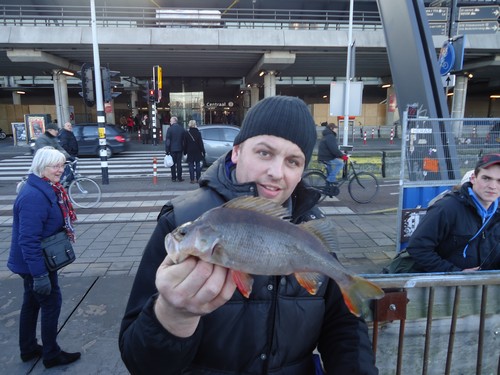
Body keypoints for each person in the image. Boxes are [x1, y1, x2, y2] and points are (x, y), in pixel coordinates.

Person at [119, 96, 378, 374]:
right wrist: (173, 315)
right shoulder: (180, 219)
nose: (276, 172)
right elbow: (140, 364)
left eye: (293, 161)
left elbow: (345, 331)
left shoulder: (310, 223)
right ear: (236, 152)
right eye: (264, 153)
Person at [7, 146, 81, 369]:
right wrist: (40, 275)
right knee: (51, 303)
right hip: (35, 264)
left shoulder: (46, 187)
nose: (60, 170)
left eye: (62, 165)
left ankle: (28, 349)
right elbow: (28, 240)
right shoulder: (34, 197)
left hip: (36, 261)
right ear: (41, 167)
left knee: (31, 303)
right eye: (55, 166)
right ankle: (51, 354)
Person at [406, 153, 500, 272]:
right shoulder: (446, 208)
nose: (493, 186)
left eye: (499, 181)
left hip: (484, 286)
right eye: (486, 178)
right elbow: (418, 248)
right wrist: (456, 273)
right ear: (473, 178)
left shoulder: (496, 212)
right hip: (445, 286)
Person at [165, 116, 187, 182]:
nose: (170, 122)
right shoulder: (181, 129)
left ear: (173, 121)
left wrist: (167, 150)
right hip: (180, 148)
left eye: (170, 121)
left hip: (172, 149)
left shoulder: (170, 129)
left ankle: (173, 178)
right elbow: (184, 140)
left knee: (173, 164)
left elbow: (168, 141)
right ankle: (179, 177)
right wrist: (184, 149)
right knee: (179, 163)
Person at [184, 120, 206, 184]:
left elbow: (185, 143)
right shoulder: (198, 133)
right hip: (197, 150)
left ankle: (192, 179)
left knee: (191, 165)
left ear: (189, 125)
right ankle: (198, 178)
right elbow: (200, 143)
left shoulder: (187, 133)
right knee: (198, 165)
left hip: (190, 150)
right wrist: (203, 151)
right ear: (195, 124)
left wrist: (185, 151)